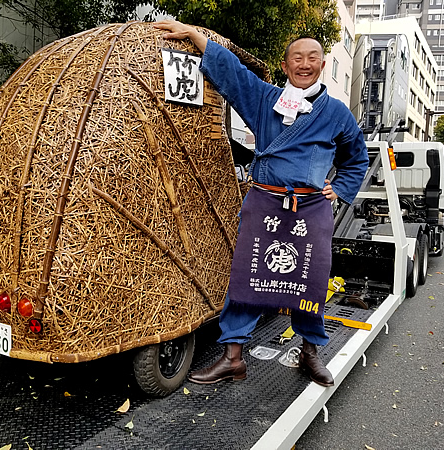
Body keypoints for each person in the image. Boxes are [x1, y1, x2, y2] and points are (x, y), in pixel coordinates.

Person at [154, 20, 369, 388]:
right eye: (297, 58)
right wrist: (196, 37)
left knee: (310, 281)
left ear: (321, 64)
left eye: (313, 58)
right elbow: (233, 74)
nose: (305, 64)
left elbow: (357, 157)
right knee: (247, 277)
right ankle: (232, 358)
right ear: (285, 66)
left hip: (310, 207)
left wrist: (342, 187)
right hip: (265, 201)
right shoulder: (265, 98)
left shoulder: (336, 113)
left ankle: (310, 353)